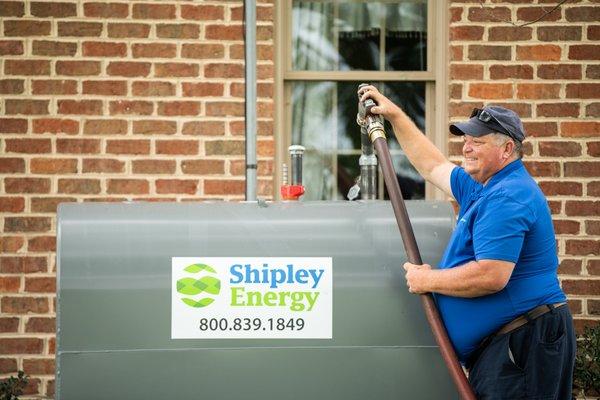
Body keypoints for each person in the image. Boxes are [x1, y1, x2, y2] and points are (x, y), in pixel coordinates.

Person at [359, 85, 576, 400]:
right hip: (507, 344)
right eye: (466, 140)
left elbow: (491, 275)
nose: (467, 148)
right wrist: (394, 116)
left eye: (478, 142)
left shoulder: (509, 194)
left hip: (524, 344)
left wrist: (427, 279)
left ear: (506, 150)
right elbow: (432, 165)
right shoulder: (482, 188)